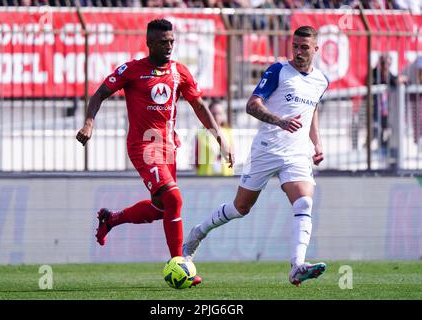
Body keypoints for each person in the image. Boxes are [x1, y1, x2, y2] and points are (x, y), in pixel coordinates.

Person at [76, 18, 233, 287]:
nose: (169, 46)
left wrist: (219, 137)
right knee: (173, 198)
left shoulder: (179, 72)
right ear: (149, 43)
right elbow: (100, 93)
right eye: (163, 42)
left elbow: (198, 106)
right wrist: (89, 122)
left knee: (161, 208)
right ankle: (180, 263)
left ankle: (111, 219)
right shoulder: (132, 70)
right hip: (143, 145)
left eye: (171, 41)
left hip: (168, 147)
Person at [183, 25, 328, 287]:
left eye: (304, 47)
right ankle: (198, 232)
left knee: (304, 203)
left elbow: (313, 109)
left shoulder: (321, 81)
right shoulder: (278, 71)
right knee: (241, 208)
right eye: (294, 46)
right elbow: (252, 105)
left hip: (296, 153)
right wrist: (279, 120)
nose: (297, 51)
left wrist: (316, 143)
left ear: (316, 49)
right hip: (266, 149)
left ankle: (297, 266)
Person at [195, 100, 234, 176]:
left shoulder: (228, 132)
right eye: (213, 114)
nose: (216, 117)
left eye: (219, 114)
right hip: (206, 177)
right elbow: (196, 159)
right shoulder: (200, 133)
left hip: (225, 177)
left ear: (223, 115)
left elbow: (232, 154)